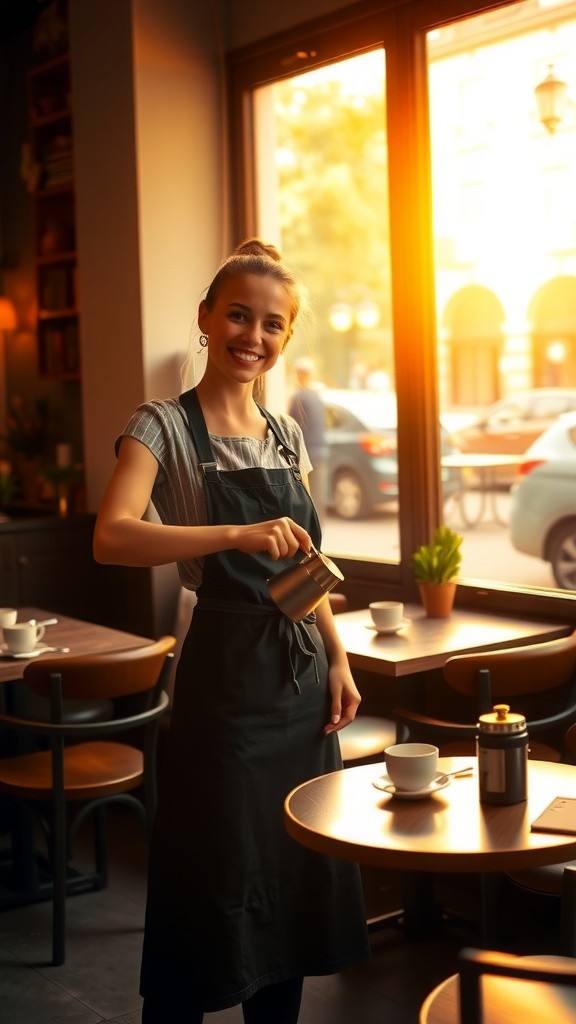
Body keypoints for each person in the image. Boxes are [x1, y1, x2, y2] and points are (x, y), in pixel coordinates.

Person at [93, 239, 370, 1024]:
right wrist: (231, 537)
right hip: (225, 686)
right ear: (207, 320)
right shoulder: (162, 427)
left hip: (302, 680)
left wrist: (340, 658)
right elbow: (111, 536)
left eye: (274, 324)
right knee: (210, 876)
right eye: (240, 315)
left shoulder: (285, 432)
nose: (255, 335)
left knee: (293, 874)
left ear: (287, 338)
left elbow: (309, 561)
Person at [288, 357, 328, 519]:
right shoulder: (316, 396)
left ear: (299, 375)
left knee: (306, 496)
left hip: (306, 454)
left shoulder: (299, 397)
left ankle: (310, 533)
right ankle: (319, 532)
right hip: (320, 452)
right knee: (318, 496)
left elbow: (292, 428)